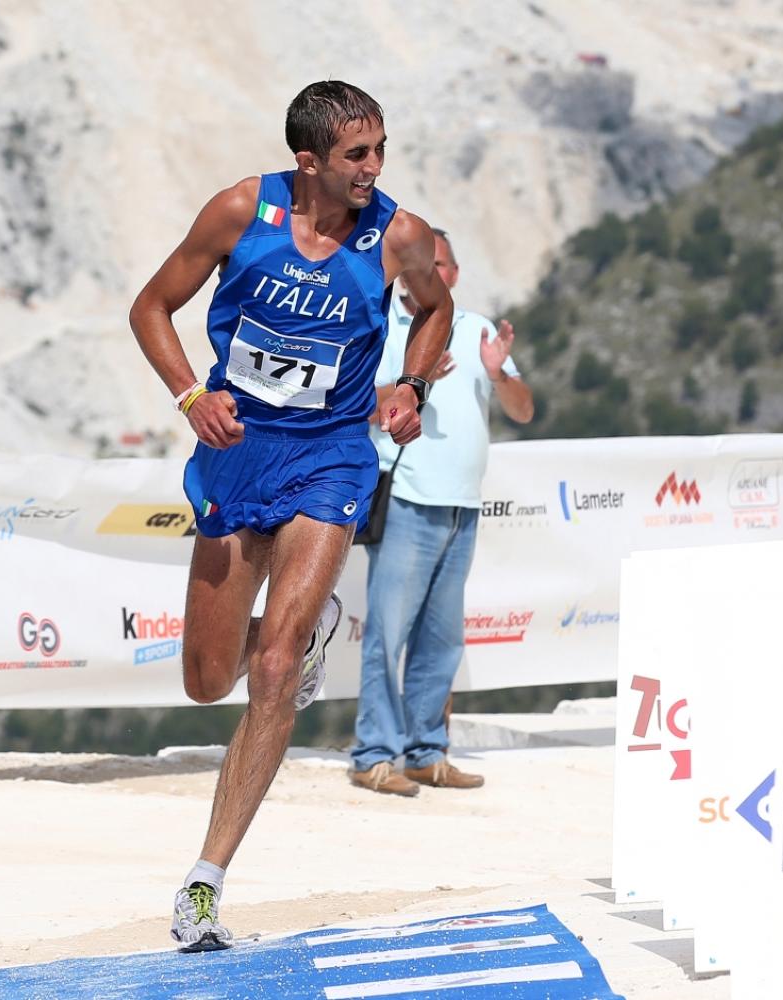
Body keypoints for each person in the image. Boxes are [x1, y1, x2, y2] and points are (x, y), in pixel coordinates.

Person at [128, 81, 453, 951]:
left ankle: (205, 882)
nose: (374, 167)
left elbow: (437, 309)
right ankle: (300, 635)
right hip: (237, 450)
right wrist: (191, 394)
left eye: (380, 148)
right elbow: (150, 307)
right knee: (207, 679)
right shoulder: (242, 211)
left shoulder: (401, 235)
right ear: (307, 161)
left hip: (331, 455)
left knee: (274, 667)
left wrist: (412, 385)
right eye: (357, 154)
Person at [350, 227, 534, 797]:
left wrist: (499, 372)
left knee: (441, 639)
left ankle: (427, 753)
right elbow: (358, 405)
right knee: (387, 634)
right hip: (407, 499)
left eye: (445, 265)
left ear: (454, 272)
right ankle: (373, 755)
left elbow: (523, 410)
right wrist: (416, 380)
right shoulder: (383, 329)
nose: (438, 273)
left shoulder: (478, 330)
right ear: (408, 272)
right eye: (428, 264)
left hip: (463, 506)